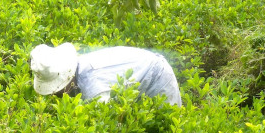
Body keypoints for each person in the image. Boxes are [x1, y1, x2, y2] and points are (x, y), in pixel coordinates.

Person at [30, 43, 182, 106]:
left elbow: (108, 124)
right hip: (139, 75)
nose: (56, 95)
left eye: (57, 91)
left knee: (168, 131)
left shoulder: (93, 85)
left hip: (157, 75)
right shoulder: (78, 70)